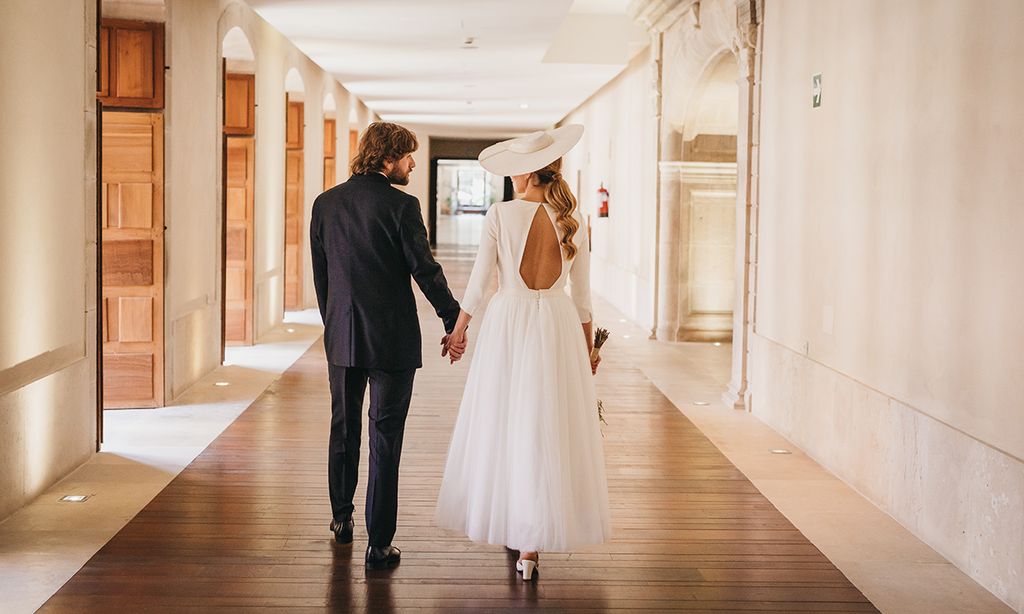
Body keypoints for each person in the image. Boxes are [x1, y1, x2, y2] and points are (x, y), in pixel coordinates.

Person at [435, 125, 612, 581]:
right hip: (556, 324)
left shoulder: (500, 214)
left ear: (531, 172)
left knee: (508, 422)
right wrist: (589, 347)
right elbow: (583, 298)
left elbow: (477, 287)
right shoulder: (573, 222)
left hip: (508, 322)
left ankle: (517, 524)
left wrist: (458, 333)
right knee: (545, 425)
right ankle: (530, 548)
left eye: (517, 171)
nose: (512, 177)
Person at [310, 121, 467, 570]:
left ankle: (341, 520)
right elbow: (424, 269)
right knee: (385, 438)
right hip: (392, 341)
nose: (413, 163)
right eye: (407, 156)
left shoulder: (325, 204)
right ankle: (379, 544)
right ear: (386, 157)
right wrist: (452, 317)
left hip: (343, 335)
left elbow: (323, 278)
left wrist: (336, 324)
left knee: (343, 430)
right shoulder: (403, 206)